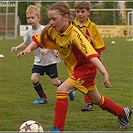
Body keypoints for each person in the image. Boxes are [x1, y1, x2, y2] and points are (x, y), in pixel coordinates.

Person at [17, 2, 132, 132]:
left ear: (65, 17)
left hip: (86, 69)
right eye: (50, 19)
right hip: (76, 70)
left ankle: (57, 128)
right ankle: (123, 112)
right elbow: (39, 40)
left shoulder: (75, 35)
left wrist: (104, 73)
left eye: (54, 19)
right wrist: (28, 48)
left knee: (62, 89)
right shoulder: (53, 30)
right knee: (96, 99)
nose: (51, 22)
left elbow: (91, 55)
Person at [11, 5, 75, 104]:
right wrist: (17, 48)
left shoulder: (45, 30)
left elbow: (53, 42)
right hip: (38, 61)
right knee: (34, 78)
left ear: (39, 18)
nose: (30, 20)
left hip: (50, 60)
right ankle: (43, 98)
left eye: (32, 18)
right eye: (28, 18)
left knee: (55, 82)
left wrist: (47, 49)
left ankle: (69, 89)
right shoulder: (29, 32)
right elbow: (26, 43)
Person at [73, 2, 106, 111]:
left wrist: (100, 58)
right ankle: (93, 99)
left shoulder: (92, 26)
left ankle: (89, 102)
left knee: (85, 80)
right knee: (85, 80)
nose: (80, 14)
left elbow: (99, 43)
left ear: (88, 12)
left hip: (90, 58)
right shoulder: (72, 25)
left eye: (83, 11)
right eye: (78, 11)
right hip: (76, 58)